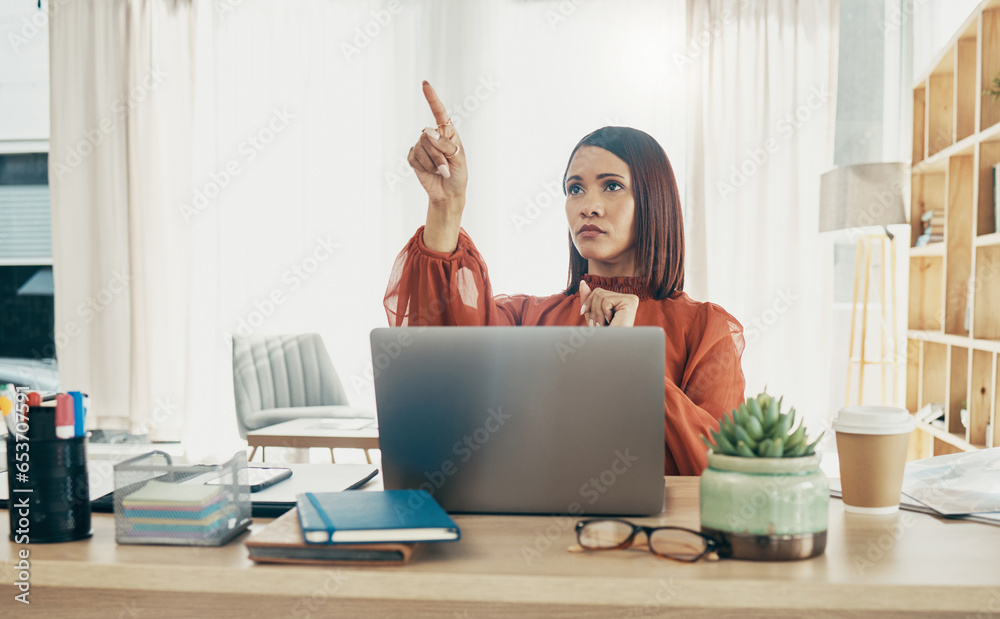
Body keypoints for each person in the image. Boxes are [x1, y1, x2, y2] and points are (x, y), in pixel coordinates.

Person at [384, 81, 746, 476]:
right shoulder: (526, 318)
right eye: (575, 189)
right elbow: (439, 351)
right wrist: (446, 205)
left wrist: (629, 359)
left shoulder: (707, 330)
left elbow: (722, 470)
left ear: (654, 200)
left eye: (612, 186)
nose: (588, 206)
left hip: (660, 538)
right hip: (532, 532)